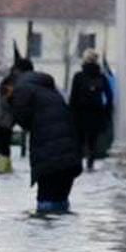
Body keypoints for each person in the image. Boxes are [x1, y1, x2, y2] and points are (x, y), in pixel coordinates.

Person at [7, 62, 82, 213]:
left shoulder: (22, 88)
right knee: (61, 204)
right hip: (70, 155)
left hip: (49, 157)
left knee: (45, 208)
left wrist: (10, 103)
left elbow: (22, 118)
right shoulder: (49, 88)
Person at [68, 48, 113, 171]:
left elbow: (73, 96)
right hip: (96, 113)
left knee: (79, 140)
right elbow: (109, 96)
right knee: (92, 140)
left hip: (79, 113)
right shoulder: (101, 77)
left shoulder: (78, 76)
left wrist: (70, 114)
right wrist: (106, 112)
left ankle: (77, 163)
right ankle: (90, 163)